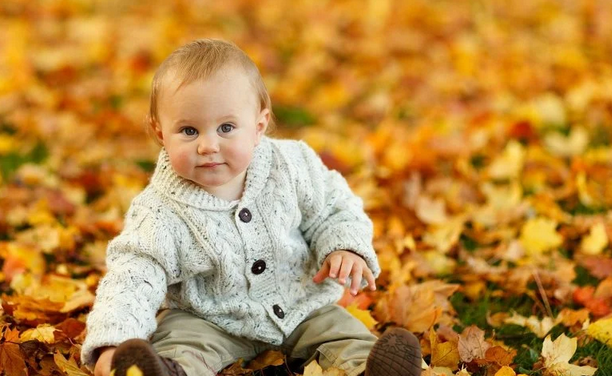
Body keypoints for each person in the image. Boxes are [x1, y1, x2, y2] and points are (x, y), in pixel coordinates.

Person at [81, 38, 422, 376]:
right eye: (188, 131)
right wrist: (112, 343)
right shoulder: (159, 211)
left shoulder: (291, 165)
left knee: (343, 335)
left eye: (226, 128)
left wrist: (344, 246)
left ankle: (373, 370)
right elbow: (133, 276)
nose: (208, 145)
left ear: (258, 126)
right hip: (209, 319)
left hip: (300, 305)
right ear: (160, 133)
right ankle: (164, 373)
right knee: (180, 345)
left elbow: (334, 208)